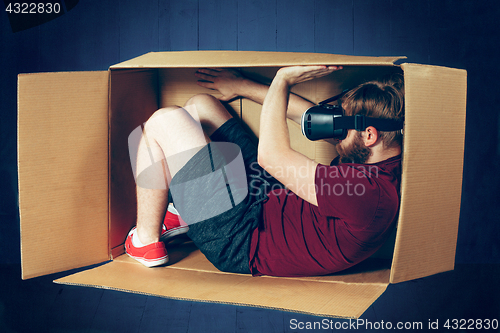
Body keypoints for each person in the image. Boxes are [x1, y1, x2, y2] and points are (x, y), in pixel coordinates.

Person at [124, 65, 404, 277]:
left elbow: (271, 157)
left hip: (242, 237)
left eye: (343, 128)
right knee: (202, 105)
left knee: (165, 121)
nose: (335, 130)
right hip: (270, 196)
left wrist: (282, 79)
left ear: (369, 135)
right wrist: (240, 85)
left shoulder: (369, 194)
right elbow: (307, 115)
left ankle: (146, 241)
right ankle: (185, 212)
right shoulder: (376, 153)